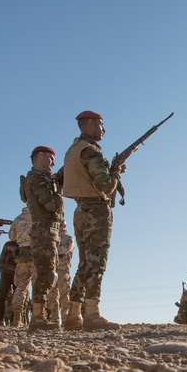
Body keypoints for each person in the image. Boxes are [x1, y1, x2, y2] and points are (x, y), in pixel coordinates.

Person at [62, 111, 123, 330]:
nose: (103, 130)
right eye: (101, 124)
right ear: (90, 123)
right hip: (96, 211)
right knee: (97, 263)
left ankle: (73, 314)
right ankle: (92, 314)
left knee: (84, 262)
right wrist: (115, 172)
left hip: (80, 210)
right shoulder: (90, 151)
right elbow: (107, 186)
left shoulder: (73, 150)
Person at [24, 145, 65, 330]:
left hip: (48, 231)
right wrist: (59, 192)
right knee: (46, 274)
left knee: (48, 273)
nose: (53, 162)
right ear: (40, 155)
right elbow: (50, 205)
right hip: (44, 232)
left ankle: (39, 315)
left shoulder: (41, 177)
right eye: (51, 157)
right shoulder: (37, 178)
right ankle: (38, 317)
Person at [47, 220, 74, 329]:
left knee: (64, 296)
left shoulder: (68, 238)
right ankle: (54, 321)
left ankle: (66, 319)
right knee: (52, 296)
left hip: (63, 271)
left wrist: (53, 249)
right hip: (53, 270)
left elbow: (65, 249)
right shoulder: (52, 238)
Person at [0, 241, 18, 325]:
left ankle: (14, 319)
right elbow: (2, 256)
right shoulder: (8, 244)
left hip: (18, 274)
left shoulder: (23, 243)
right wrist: (1, 269)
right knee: (2, 297)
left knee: (17, 297)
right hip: (6, 273)